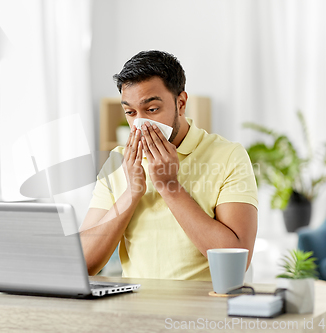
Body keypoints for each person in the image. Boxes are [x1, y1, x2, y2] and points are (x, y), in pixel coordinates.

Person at [80, 50, 258, 281]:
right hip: (135, 307)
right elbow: (83, 264)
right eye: (130, 113)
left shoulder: (227, 156)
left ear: (181, 103)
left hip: (204, 309)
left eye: (152, 109)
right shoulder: (119, 161)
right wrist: (131, 193)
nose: (140, 124)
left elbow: (237, 261)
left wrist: (170, 187)